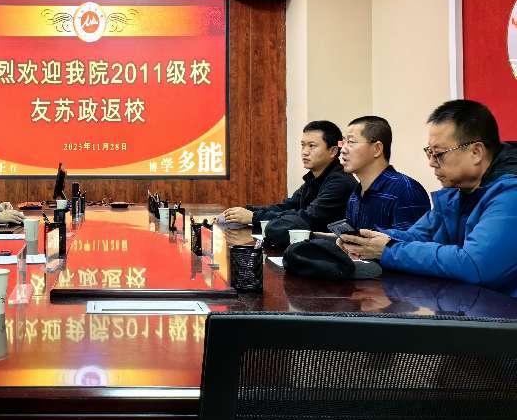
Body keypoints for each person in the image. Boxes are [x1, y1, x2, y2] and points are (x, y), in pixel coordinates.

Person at [341, 100, 517, 296]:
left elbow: (474, 265)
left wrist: (388, 250)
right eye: (429, 153)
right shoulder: (457, 194)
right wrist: (366, 241)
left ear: (476, 152)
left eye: (439, 154)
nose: (432, 163)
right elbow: (417, 236)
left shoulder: (510, 195)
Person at [222, 120, 356, 249]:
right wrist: (247, 211)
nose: (305, 152)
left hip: (332, 254)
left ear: (333, 151)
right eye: (303, 145)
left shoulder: (340, 182)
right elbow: (287, 206)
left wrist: (254, 217)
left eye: (312, 146)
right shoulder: (313, 178)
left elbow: (307, 217)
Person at [339, 115, 430, 231]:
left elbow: (412, 242)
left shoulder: (405, 190)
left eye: (351, 142)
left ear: (377, 149)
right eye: (343, 142)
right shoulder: (355, 195)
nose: (343, 150)